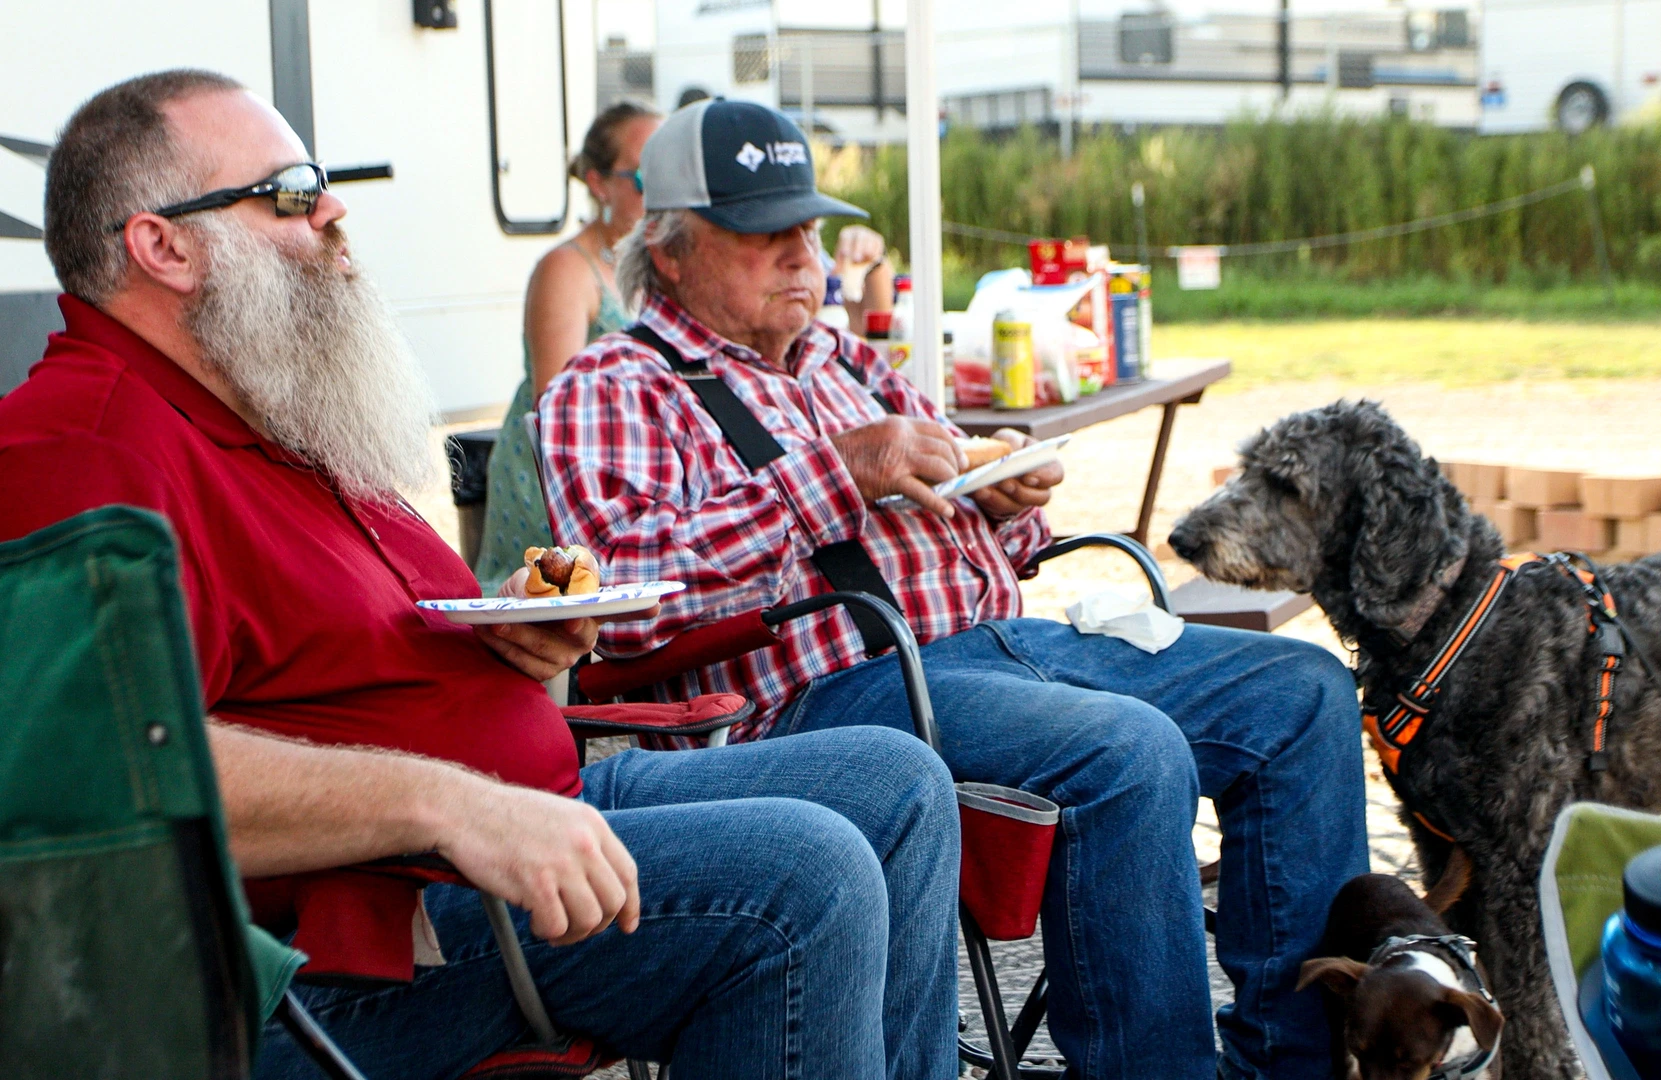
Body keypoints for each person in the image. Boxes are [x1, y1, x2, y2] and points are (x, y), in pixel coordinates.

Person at [2, 70, 960, 1080]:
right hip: (358, 944)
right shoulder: (85, 452)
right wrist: (452, 805)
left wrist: (519, 634)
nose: (333, 213)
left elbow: (350, 665)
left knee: (894, 783)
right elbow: (103, 779)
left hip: (525, 804)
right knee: (803, 879)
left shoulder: (260, 411)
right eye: (290, 192)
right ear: (164, 245)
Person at [539, 98, 1368, 1080]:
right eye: (767, 235)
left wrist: (1005, 502)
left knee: (1304, 693)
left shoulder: (851, 363)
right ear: (670, 250)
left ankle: (1289, 1063)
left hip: (1002, 650)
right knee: (1128, 749)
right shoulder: (612, 384)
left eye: (809, 227)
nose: (804, 254)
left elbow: (996, 540)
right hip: (831, 700)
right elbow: (621, 595)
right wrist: (836, 472)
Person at [474, 100, 661, 591]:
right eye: (646, 177)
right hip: (561, 478)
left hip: (633, 471)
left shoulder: (660, 264)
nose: (664, 192)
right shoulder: (568, 269)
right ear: (599, 183)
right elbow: (555, 408)